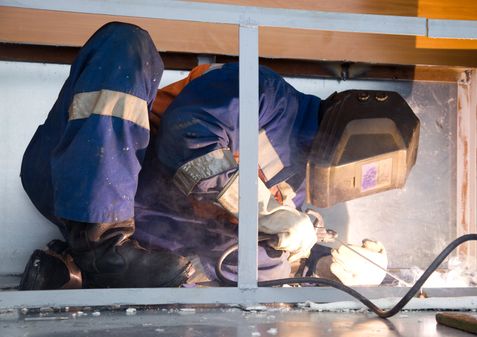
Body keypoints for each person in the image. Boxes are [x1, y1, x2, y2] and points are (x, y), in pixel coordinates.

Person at [19, 22, 388, 290]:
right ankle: (99, 245)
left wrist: (324, 264)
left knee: (254, 249)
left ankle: (77, 270)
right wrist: (263, 209)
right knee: (127, 44)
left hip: (148, 240)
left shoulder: (299, 188)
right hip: (74, 175)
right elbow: (185, 141)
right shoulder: (263, 95)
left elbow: (248, 258)